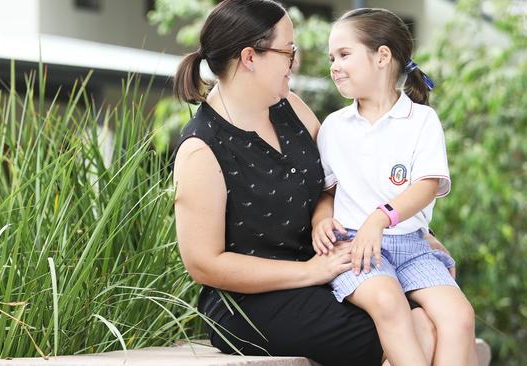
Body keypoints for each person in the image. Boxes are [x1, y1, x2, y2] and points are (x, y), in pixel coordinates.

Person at [171, 1, 454, 365]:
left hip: (329, 270)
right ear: (249, 57)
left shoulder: (291, 107)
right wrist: (307, 271)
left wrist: (405, 229)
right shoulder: (201, 147)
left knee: (433, 308)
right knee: (411, 327)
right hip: (251, 302)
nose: (296, 62)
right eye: (288, 51)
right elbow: (203, 264)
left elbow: (341, 181)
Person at [312, 8, 477, 366]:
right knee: (388, 303)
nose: (334, 66)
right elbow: (327, 192)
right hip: (356, 248)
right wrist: (320, 221)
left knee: (459, 317)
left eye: (344, 55)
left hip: (412, 247)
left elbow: (427, 185)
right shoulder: (334, 127)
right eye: (332, 58)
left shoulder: (421, 120)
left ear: (382, 56)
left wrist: (380, 219)